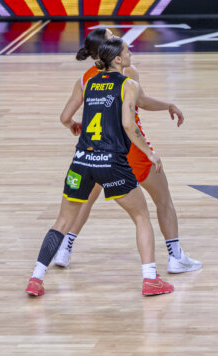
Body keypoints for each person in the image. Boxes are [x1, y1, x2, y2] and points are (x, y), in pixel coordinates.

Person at [26, 38, 174, 297]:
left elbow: (64, 117)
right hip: (111, 163)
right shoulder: (128, 83)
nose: (131, 54)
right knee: (141, 216)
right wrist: (150, 153)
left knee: (62, 221)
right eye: (127, 51)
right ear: (117, 59)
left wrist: (72, 124)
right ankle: (150, 278)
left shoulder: (89, 82)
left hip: (81, 162)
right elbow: (129, 125)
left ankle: (36, 278)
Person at [51, 28, 200, 274]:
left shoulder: (85, 79)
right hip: (129, 147)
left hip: (97, 150)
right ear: (111, 51)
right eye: (113, 36)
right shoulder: (127, 72)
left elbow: (65, 117)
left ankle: (64, 249)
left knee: (85, 200)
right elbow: (140, 102)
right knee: (162, 199)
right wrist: (169, 105)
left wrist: (74, 126)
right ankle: (175, 257)